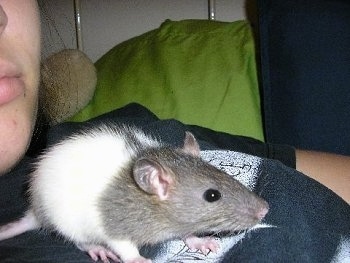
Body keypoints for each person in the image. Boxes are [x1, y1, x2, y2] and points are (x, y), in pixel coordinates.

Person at [0, 0, 348, 262]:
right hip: (64, 215)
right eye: (213, 196)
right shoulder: (136, 196)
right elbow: (114, 222)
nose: (260, 208)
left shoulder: (159, 139)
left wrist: (193, 238)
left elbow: (182, 215)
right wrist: (132, 255)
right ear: (156, 184)